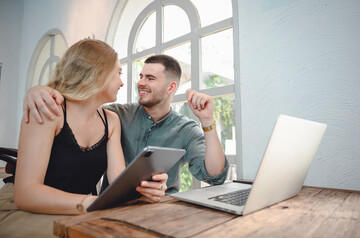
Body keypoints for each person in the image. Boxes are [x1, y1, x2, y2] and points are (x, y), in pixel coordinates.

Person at [1, 39, 151, 238]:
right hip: (20, 211)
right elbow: (25, 195)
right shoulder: (47, 111)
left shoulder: (111, 121)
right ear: (99, 73)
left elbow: (118, 185)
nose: (122, 82)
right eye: (118, 73)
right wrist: (93, 204)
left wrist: (146, 189)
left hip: (75, 211)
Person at [22, 54, 229, 198]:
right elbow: (80, 105)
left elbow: (214, 175)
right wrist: (39, 90)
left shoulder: (186, 129)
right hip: (113, 205)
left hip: (158, 206)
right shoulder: (115, 115)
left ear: (171, 87)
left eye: (150, 78)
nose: (140, 82)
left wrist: (208, 122)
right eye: (140, 76)